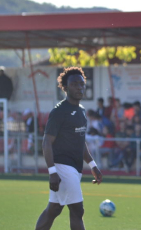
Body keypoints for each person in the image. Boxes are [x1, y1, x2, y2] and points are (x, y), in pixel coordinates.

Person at [35, 67, 102, 230]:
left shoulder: (82, 111)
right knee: (77, 210)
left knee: (54, 209)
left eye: (82, 84)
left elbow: (80, 142)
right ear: (65, 87)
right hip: (63, 168)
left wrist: (93, 166)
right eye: (74, 84)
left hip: (74, 168)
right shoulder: (59, 111)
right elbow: (47, 143)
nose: (79, 87)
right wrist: (52, 172)